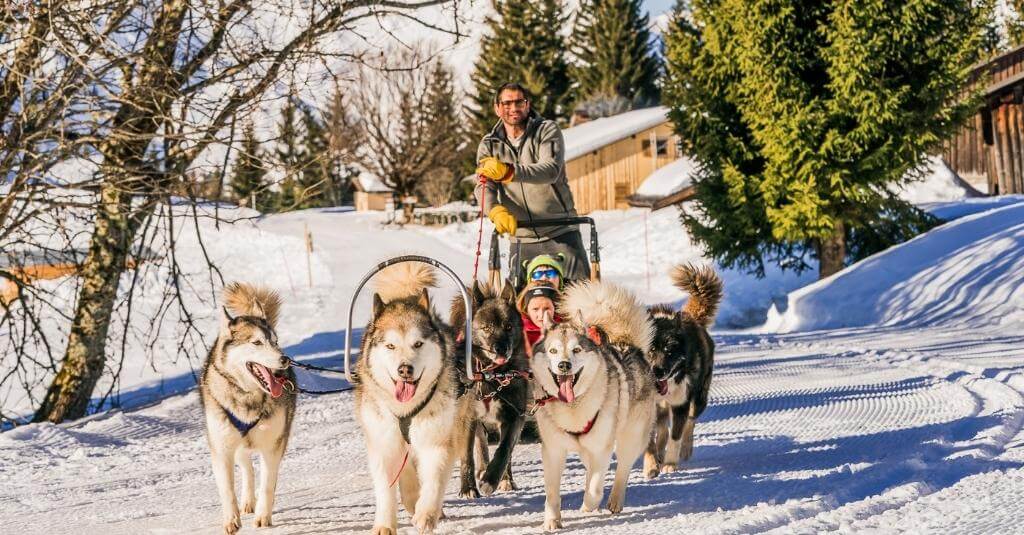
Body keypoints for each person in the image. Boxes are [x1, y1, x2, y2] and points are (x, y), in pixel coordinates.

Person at [475, 82, 591, 285]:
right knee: (521, 307)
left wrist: (509, 171)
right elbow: (484, 185)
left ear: (527, 105)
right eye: (507, 103)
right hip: (521, 237)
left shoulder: (547, 130)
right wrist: (494, 210)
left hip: (561, 231)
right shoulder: (489, 144)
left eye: (519, 102)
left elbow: (550, 170)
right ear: (497, 108)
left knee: (578, 299)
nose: (513, 108)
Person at [517, 280, 561, 348]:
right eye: (535, 309)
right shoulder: (518, 335)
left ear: (555, 308)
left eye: (546, 308)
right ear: (526, 309)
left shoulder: (567, 330)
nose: (541, 315)